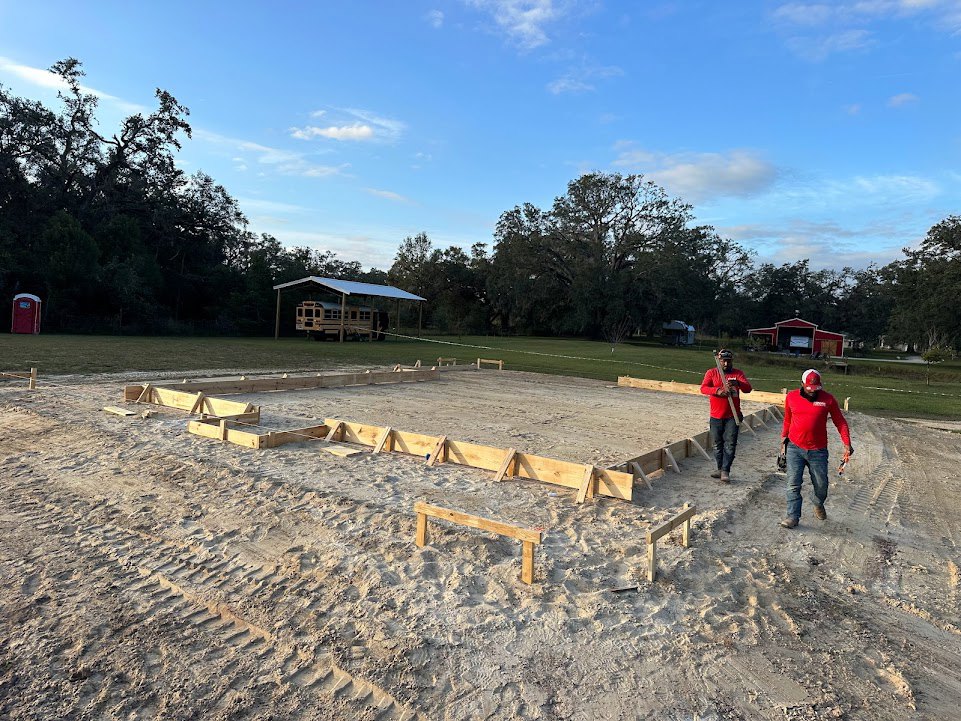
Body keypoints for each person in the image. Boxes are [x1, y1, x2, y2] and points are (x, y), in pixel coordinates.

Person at [779, 369, 853, 528]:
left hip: (818, 450)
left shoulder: (828, 399)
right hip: (794, 447)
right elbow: (787, 420)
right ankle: (793, 516)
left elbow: (840, 421)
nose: (813, 393)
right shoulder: (791, 397)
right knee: (793, 484)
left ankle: (818, 502)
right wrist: (783, 440)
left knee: (821, 484)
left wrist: (846, 442)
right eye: (809, 389)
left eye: (816, 389)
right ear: (802, 385)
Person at [700, 349, 753, 483]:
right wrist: (717, 391)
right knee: (717, 443)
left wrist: (738, 384)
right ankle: (719, 468)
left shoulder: (737, 374)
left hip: (732, 415)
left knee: (730, 444)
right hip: (716, 415)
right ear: (719, 360)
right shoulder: (712, 373)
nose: (726, 363)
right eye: (723, 360)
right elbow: (703, 388)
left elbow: (748, 389)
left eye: (728, 361)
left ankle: (725, 471)